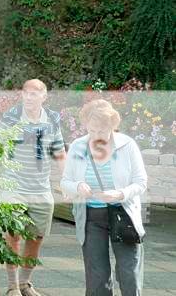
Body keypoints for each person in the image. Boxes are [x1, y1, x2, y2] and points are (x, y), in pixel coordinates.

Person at [61, 98, 147, 296]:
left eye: (101, 131)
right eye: (92, 130)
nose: (96, 136)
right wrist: (78, 186)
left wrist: (120, 194)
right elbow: (65, 181)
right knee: (97, 276)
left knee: (129, 272)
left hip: (123, 214)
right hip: (91, 217)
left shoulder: (127, 145)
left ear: (112, 126)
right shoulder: (78, 146)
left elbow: (141, 182)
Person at [0, 79, 66, 296]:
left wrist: (66, 180)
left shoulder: (52, 120)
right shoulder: (11, 118)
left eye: (34, 93)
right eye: (26, 93)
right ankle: (12, 286)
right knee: (13, 236)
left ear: (44, 96)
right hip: (13, 187)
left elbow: (59, 152)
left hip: (41, 189)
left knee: (36, 238)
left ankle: (25, 284)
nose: (29, 97)